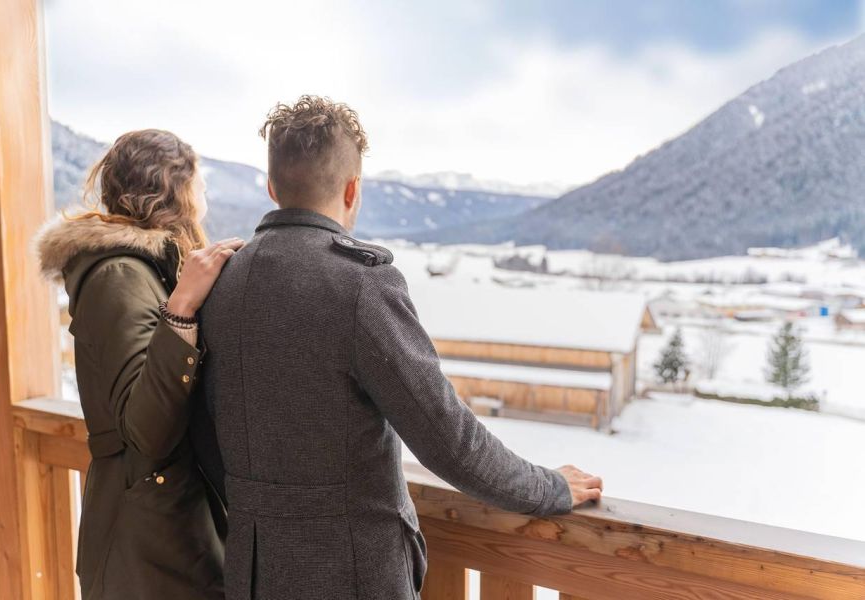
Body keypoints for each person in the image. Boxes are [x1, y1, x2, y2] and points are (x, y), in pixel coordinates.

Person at [200, 95, 603, 600]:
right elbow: (447, 438)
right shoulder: (360, 285)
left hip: (251, 575)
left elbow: (203, 429)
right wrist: (548, 488)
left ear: (272, 187)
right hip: (351, 577)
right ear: (353, 190)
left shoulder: (220, 280)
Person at [35, 129, 242, 599]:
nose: (205, 194)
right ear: (176, 188)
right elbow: (147, 429)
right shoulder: (119, 274)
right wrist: (182, 308)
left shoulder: (147, 266)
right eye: (200, 183)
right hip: (147, 543)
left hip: (163, 526)